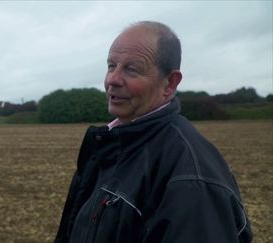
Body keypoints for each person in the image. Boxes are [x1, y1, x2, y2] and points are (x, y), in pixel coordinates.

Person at [54, 21, 252, 243]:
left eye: (132, 69)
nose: (112, 80)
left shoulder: (192, 180)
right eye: (111, 66)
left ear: (169, 83)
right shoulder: (111, 145)